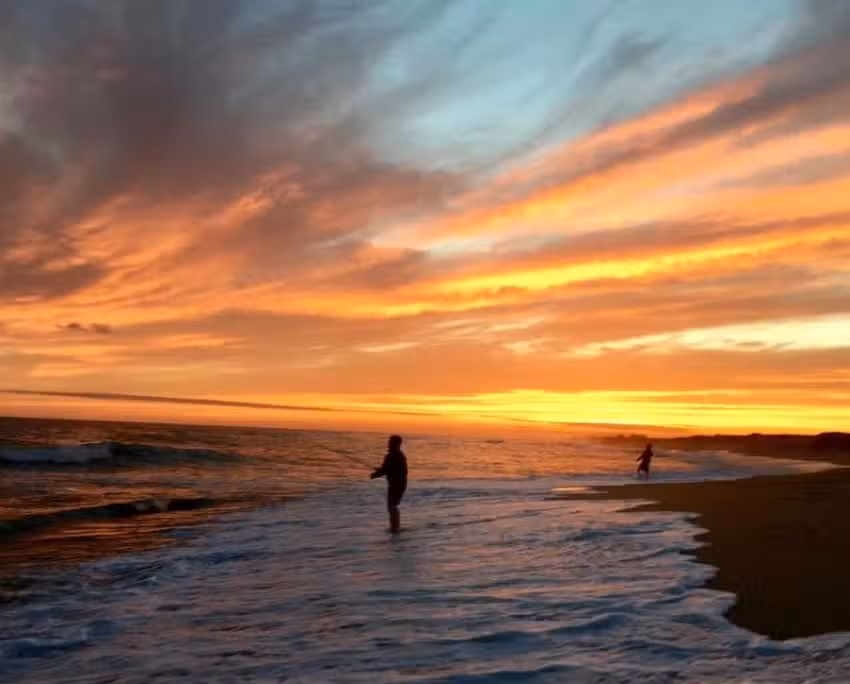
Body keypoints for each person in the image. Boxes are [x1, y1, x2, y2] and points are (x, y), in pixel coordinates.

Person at [370, 434, 408, 533]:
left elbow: (385, 470)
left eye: (390, 441)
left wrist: (374, 475)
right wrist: (380, 471)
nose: (388, 443)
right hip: (401, 484)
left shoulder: (391, 455)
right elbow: (389, 469)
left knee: (391, 506)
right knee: (393, 506)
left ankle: (395, 528)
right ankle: (395, 527)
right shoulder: (400, 455)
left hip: (395, 485)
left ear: (394, 443)